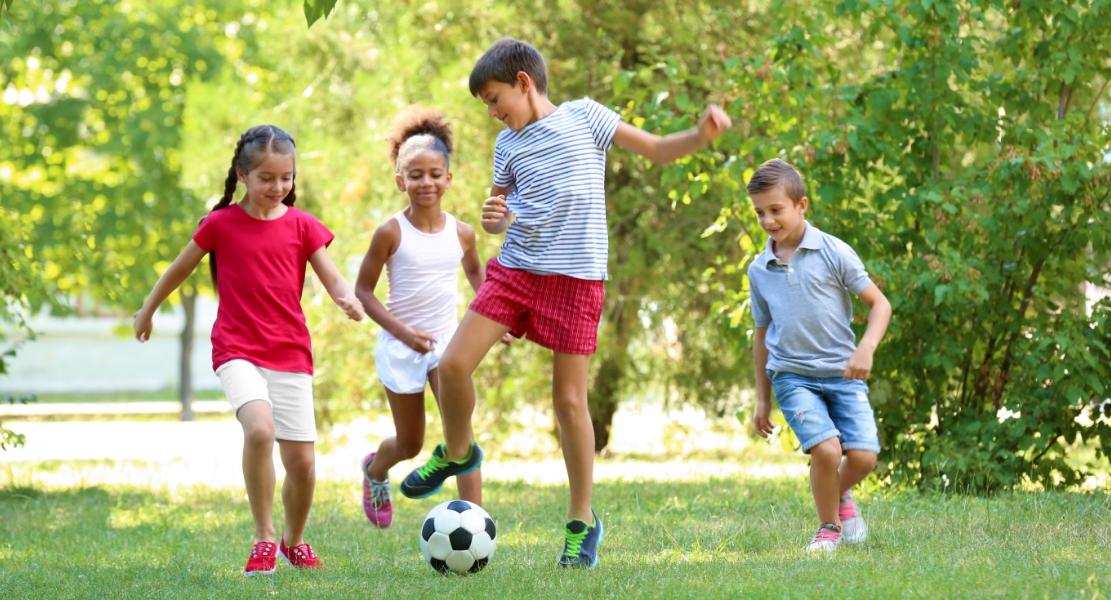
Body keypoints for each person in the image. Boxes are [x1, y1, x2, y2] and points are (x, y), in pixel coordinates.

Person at [398, 37, 731, 568]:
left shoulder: (586, 117)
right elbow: (504, 211)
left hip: (576, 280)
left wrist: (700, 134)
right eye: (484, 104)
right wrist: (495, 220)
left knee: (570, 403)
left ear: (524, 83)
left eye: (493, 98)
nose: (491, 112)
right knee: (454, 365)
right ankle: (456, 452)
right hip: (516, 271)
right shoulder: (507, 146)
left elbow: (655, 149)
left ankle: (581, 523)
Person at [133, 125, 365, 575]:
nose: (278, 187)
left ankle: (292, 540)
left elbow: (331, 275)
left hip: (290, 351)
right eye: (266, 178)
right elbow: (179, 269)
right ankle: (262, 537)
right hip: (237, 347)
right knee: (259, 430)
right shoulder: (220, 224)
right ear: (242, 174)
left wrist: (346, 298)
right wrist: (147, 310)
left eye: (286, 178)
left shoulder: (303, 225)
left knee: (301, 464)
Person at [354, 106, 507, 528]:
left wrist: (495, 316)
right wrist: (403, 333)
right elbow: (363, 293)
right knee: (410, 443)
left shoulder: (462, 232)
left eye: (435, 173)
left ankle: (474, 522)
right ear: (400, 180)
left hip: (447, 345)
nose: (427, 182)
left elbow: (477, 272)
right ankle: (375, 470)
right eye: (416, 175)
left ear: (449, 178)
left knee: (461, 436)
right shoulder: (390, 232)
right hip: (400, 345)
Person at [746, 158, 892, 553]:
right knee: (826, 451)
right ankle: (828, 527)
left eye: (776, 210)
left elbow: (880, 305)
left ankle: (838, 495)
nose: (768, 220)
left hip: (843, 372)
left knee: (863, 457)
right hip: (791, 375)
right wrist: (763, 397)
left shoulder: (833, 251)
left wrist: (866, 348)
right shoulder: (759, 269)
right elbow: (761, 335)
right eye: (760, 212)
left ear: (801, 205)